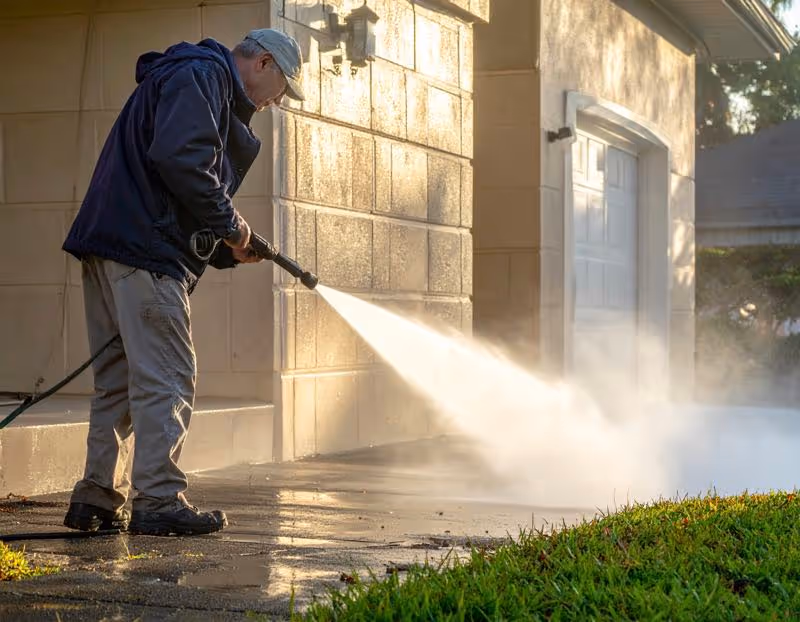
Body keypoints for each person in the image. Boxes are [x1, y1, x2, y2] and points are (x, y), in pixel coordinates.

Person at [61, 29, 305, 536]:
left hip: (112, 246)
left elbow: (171, 177)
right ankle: (159, 499)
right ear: (263, 63)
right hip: (142, 255)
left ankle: (97, 497)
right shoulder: (203, 75)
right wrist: (234, 227)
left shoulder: (188, 75)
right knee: (168, 375)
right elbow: (182, 160)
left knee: (120, 382)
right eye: (282, 87)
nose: (277, 101)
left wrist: (227, 249)